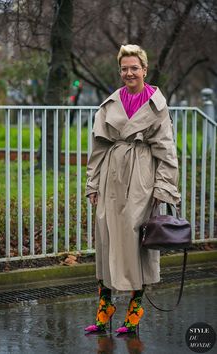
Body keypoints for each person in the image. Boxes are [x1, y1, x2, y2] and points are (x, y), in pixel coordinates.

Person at [84, 44, 180, 334]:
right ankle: (105, 306)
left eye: (134, 68)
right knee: (106, 240)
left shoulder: (156, 106)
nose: (129, 72)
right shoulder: (110, 104)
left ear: (144, 70)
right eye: (124, 68)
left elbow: (166, 151)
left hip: (142, 180)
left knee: (138, 244)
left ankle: (135, 310)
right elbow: (98, 146)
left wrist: (163, 189)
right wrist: (92, 184)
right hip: (110, 179)